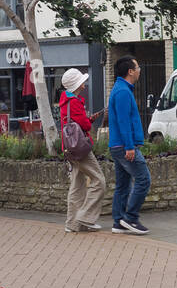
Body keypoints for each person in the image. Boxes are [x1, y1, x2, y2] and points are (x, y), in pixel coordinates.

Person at [58, 68, 106, 233]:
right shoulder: (75, 102)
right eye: (82, 83)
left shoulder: (65, 101)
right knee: (99, 181)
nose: (84, 86)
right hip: (80, 148)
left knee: (77, 185)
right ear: (76, 85)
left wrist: (86, 118)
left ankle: (72, 224)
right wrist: (88, 120)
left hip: (69, 148)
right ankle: (86, 218)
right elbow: (84, 125)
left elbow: (76, 121)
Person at [108, 56, 151, 235]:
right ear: (130, 71)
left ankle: (118, 222)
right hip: (124, 146)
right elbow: (123, 121)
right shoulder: (123, 92)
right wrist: (130, 146)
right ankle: (130, 218)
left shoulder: (120, 89)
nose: (140, 70)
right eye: (138, 67)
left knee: (123, 185)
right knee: (143, 180)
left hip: (118, 145)